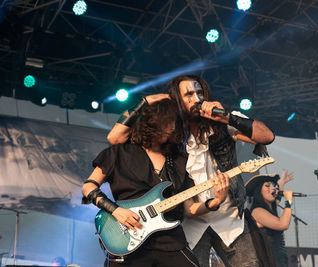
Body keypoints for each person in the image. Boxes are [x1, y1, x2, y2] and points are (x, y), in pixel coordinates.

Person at [107, 75, 276, 267]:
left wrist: (227, 117)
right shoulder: (168, 133)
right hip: (189, 222)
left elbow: (267, 136)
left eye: (199, 93)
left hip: (229, 217)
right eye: (188, 94)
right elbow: (115, 138)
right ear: (177, 100)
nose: (196, 99)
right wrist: (144, 102)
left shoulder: (220, 123)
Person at [82, 99, 230, 267]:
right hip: (129, 240)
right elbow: (88, 187)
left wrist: (216, 202)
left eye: (174, 123)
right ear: (151, 122)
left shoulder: (180, 161)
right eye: (167, 122)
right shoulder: (118, 153)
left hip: (171, 242)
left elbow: (189, 209)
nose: (172, 128)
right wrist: (116, 211)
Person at [246, 170, 295, 267]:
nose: (272, 188)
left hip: (279, 259)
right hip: (268, 260)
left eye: (273, 185)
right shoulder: (257, 211)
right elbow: (283, 224)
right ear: (259, 190)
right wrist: (288, 202)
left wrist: (282, 183)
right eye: (267, 186)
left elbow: (276, 199)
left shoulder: (269, 208)